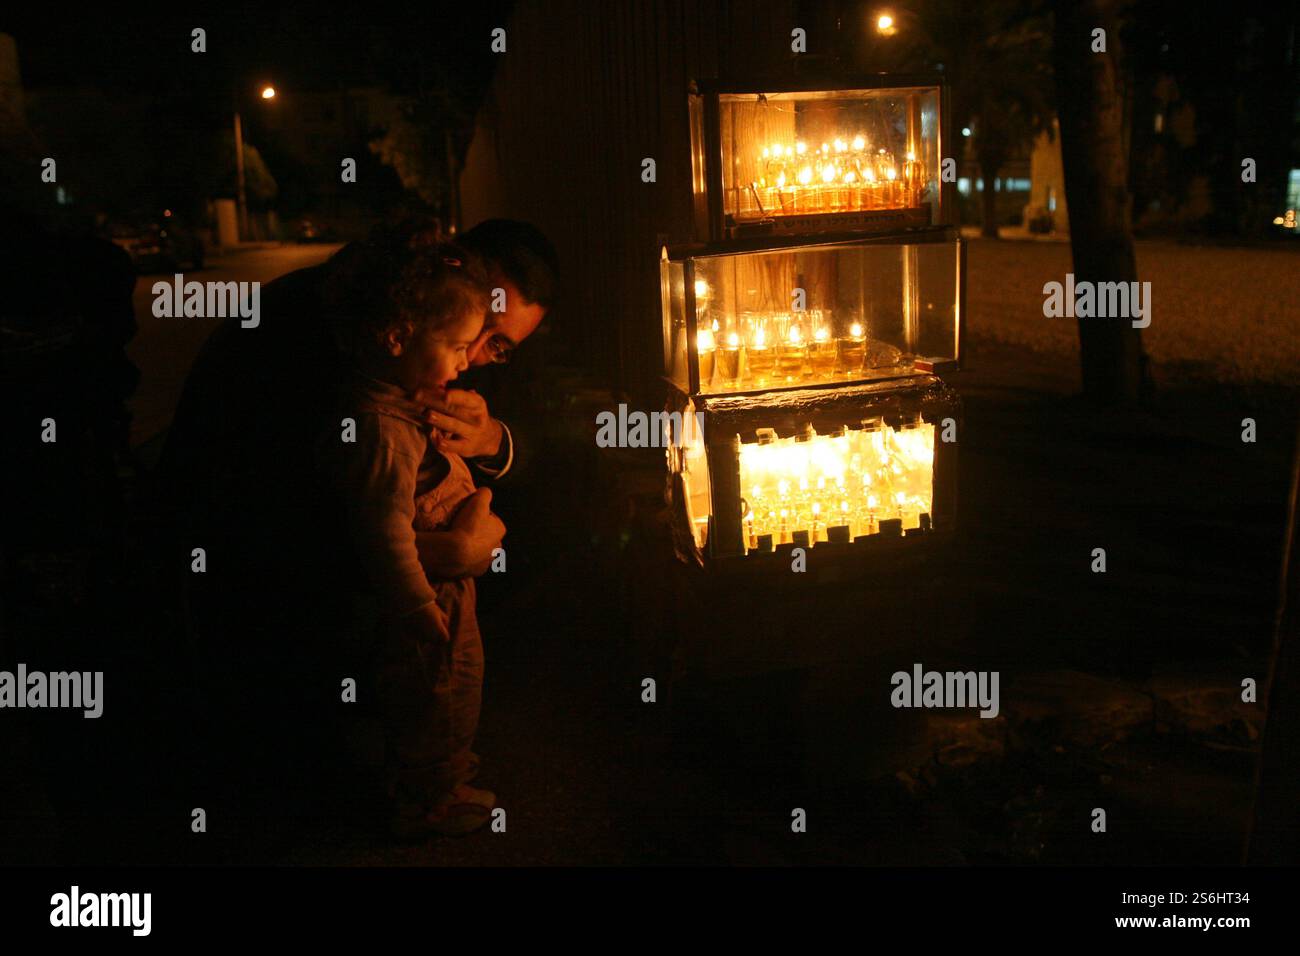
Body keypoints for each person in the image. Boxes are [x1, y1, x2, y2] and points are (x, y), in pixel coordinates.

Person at [317, 234, 499, 837]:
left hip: (441, 584)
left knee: (449, 686)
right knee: (438, 685)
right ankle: (429, 800)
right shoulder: (378, 431)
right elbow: (382, 530)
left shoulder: (391, 401)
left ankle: (440, 767)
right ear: (397, 338)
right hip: (428, 595)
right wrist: (418, 603)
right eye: (454, 346)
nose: (467, 361)